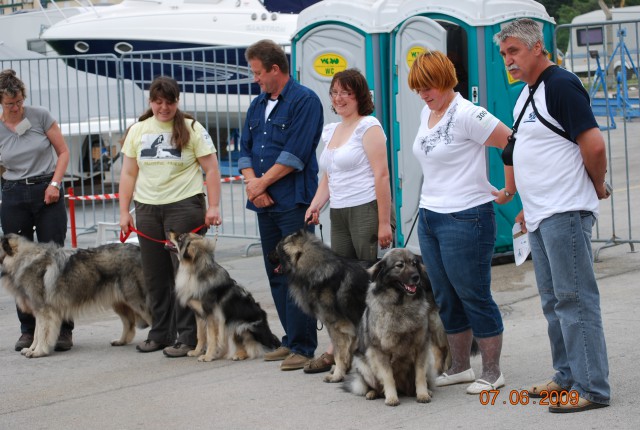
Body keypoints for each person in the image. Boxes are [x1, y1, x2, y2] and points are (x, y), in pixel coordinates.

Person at [495, 18, 611, 413]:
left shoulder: (560, 85)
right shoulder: (527, 93)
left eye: (513, 51)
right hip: (542, 215)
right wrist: (527, 205)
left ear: (537, 48)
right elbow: (533, 154)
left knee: (575, 300)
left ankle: (592, 387)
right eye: (503, 54)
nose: (508, 60)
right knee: (553, 301)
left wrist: (596, 186)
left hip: (564, 211)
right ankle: (565, 376)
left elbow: (593, 145)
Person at [407, 50, 516, 394]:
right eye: (418, 88)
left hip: (467, 215)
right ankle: (459, 366)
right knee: (444, 294)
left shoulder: (469, 113)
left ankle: (492, 370)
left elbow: (510, 142)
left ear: (445, 79)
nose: (424, 94)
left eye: (429, 86)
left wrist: (509, 189)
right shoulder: (427, 111)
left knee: (473, 293)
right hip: (431, 215)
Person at [119, 76, 222, 358]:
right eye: (158, 102)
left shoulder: (192, 128)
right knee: (154, 276)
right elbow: (128, 173)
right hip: (147, 209)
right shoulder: (138, 130)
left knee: (185, 275)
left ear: (177, 102)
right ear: (151, 102)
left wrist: (213, 206)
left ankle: (188, 336)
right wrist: (123, 212)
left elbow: (211, 170)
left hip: (184, 207)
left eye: (169, 102)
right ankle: (160, 332)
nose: (164, 107)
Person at [238, 39, 322, 371]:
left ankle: (304, 346)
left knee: (298, 273)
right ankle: (290, 340)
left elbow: (295, 154)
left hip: (293, 202)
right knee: (276, 272)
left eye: (259, 73)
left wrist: (261, 183)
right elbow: (244, 148)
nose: (255, 79)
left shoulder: (305, 101)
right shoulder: (257, 105)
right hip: (264, 201)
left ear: (276, 69)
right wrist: (252, 185)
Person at [303, 68, 393, 374]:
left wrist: (384, 222)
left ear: (360, 96)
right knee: (341, 285)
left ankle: (373, 349)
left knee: (367, 284)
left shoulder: (369, 127)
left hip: (365, 209)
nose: (339, 98)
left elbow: (382, 175)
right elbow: (328, 175)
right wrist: (316, 204)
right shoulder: (331, 130)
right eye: (335, 92)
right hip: (339, 212)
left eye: (346, 92)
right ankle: (340, 347)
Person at [0, 69, 74, 352]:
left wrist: (55, 183)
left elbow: (63, 152)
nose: (16, 108)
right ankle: (28, 329)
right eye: (9, 104)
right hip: (13, 193)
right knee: (17, 263)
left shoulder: (40, 115)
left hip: (47, 191)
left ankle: (64, 329)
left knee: (55, 258)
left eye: (18, 102)